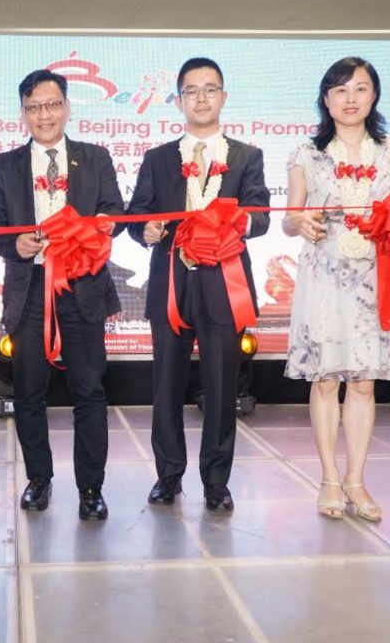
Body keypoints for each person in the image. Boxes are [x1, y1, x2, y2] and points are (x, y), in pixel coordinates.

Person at [127, 58, 270, 513]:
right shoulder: (157, 159)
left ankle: (216, 482)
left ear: (223, 97)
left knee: (222, 389)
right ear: (179, 100)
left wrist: (237, 223)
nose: (202, 98)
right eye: (192, 91)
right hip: (171, 283)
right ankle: (168, 476)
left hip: (224, 284)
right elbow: (137, 214)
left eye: (210, 89)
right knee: (166, 386)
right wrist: (145, 230)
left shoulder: (247, 156)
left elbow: (261, 215)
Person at [0, 69, 124, 520]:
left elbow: (114, 213)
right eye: (34, 107)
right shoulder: (3, 166)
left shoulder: (95, 158)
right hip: (29, 290)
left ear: (67, 107)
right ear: (23, 113)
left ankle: (91, 488)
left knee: (89, 391)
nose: (44, 115)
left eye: (52, 104)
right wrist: (15, 244)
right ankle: (38, 480)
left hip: (83, 288)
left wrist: (94, 232)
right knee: (28, 393)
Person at [283, 56, 390, 522]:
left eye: (360, 88)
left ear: (374, 95)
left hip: (375, 277)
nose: (350, 98)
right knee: (325, 380)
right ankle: (329, 480)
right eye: (340, 90)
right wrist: (300, 223)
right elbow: (289, 218)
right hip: (324, 277)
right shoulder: (306, 153)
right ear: (326, 99)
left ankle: (357, 481)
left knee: (363, 383)